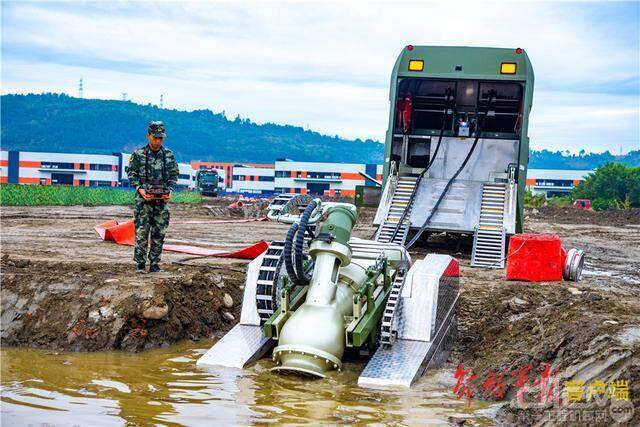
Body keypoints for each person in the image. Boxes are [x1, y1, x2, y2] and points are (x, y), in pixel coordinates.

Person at [127, 121, 179, 273]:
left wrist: (169, 189)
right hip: (143, 201)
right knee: (142, 233)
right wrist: (140, 188)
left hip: (161, 202)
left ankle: (155, 264)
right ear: (148, 135)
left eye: (161, 138)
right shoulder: (138, 155)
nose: (158, 141)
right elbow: (131, 173)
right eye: (155, 138)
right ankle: (140, 264)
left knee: (159, 233)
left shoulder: (168, 155)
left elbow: (173, 174)